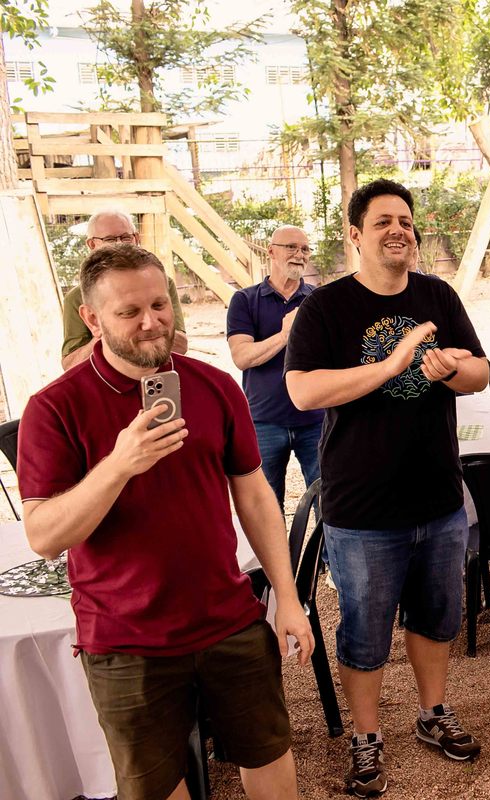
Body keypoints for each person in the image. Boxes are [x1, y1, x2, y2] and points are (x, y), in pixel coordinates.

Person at [18, 243, 314, 800]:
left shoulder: (214, 385)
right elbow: (44, 536)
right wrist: (121, 463)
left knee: (269, 755)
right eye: (129, 312)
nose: (151, 321)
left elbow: (253, 494)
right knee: (155, 787)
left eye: (160, 304)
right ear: (91, 318)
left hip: (228, 618)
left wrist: (288, 596)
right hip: (124, 641)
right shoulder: (54, 407)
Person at [285, 178, 490, 794]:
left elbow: (481, 372)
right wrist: (389, 365)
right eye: (383, 222)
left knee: (436, 618)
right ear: (355, 234)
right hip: (362, 508)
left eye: (405, 221)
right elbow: (303, 391)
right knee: (365, 630)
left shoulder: (438, 296)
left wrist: (452, 369)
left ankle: (432, 714)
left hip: (438, 499)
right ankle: (366, 737)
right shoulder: (326, 308)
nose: (398, 230)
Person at [226, 225, 323, 507]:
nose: (299, 254)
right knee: (265, 506)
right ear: (271, 251)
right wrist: (284, 336)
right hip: (264, 421)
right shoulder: (244, 300)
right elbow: (242, 357)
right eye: (291, 247)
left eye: (305, 249)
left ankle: (325, 554)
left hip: (314, 420)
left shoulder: (318, 300)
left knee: (327, 503)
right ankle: (276, 554)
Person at [62, 208, 188, 370]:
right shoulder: (76, 297)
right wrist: (109, 332)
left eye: (126, 237)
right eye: (110, 239)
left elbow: (181, 346)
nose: (119, 244)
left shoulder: (161, 283)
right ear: (92, 244)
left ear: (136, 238)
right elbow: (71, 365)